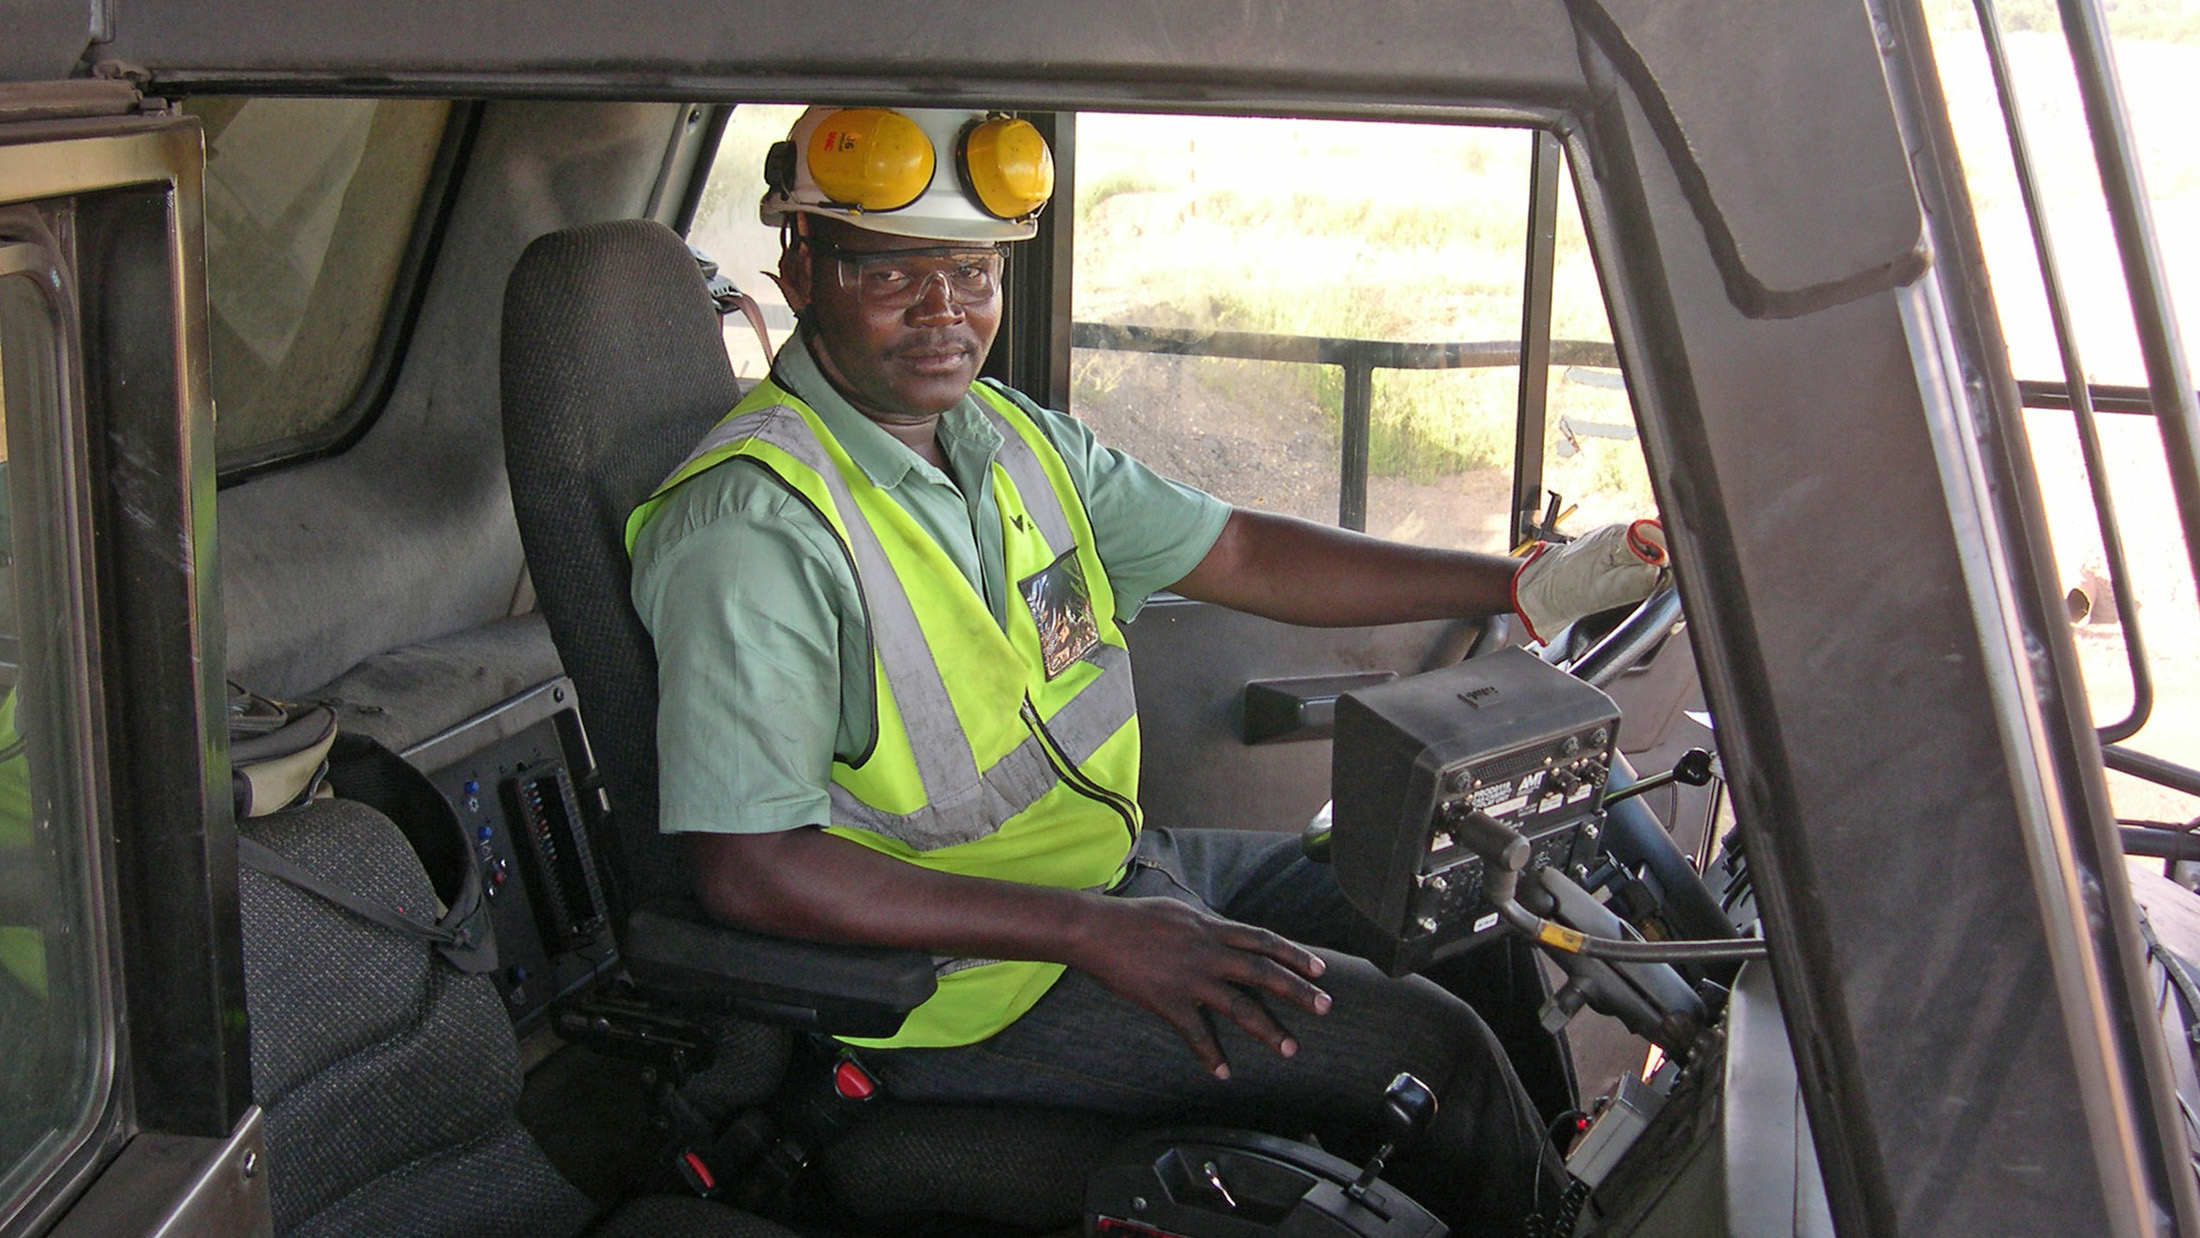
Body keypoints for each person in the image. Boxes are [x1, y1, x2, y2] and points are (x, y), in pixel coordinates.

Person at [626, 106, 1667, 1236]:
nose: (945, 310)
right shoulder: (756, 529)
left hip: (1124, 874)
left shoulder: (1006, 437)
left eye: (972, 270)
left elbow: (1244, 551)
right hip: (963, 987)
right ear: (801, 271)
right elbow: (750, 869)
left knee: (1469, 914)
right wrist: (1094, 932)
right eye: (893, 272)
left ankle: (1563, 1178)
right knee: (1434, 1051)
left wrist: (1525, 587)